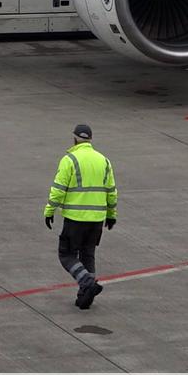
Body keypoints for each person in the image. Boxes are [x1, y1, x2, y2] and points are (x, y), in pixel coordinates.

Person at [44, 123, 117, 309]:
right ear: (90, 140)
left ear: (74, 138)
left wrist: (49, 210)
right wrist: (111, 214)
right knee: (88, 255)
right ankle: (85, 296)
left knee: (66, 254)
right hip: (97, 220)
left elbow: (58, 190)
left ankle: (87, 283)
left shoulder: (69, 159)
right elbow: (111, 191)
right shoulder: (104, 160)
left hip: (76, 218)